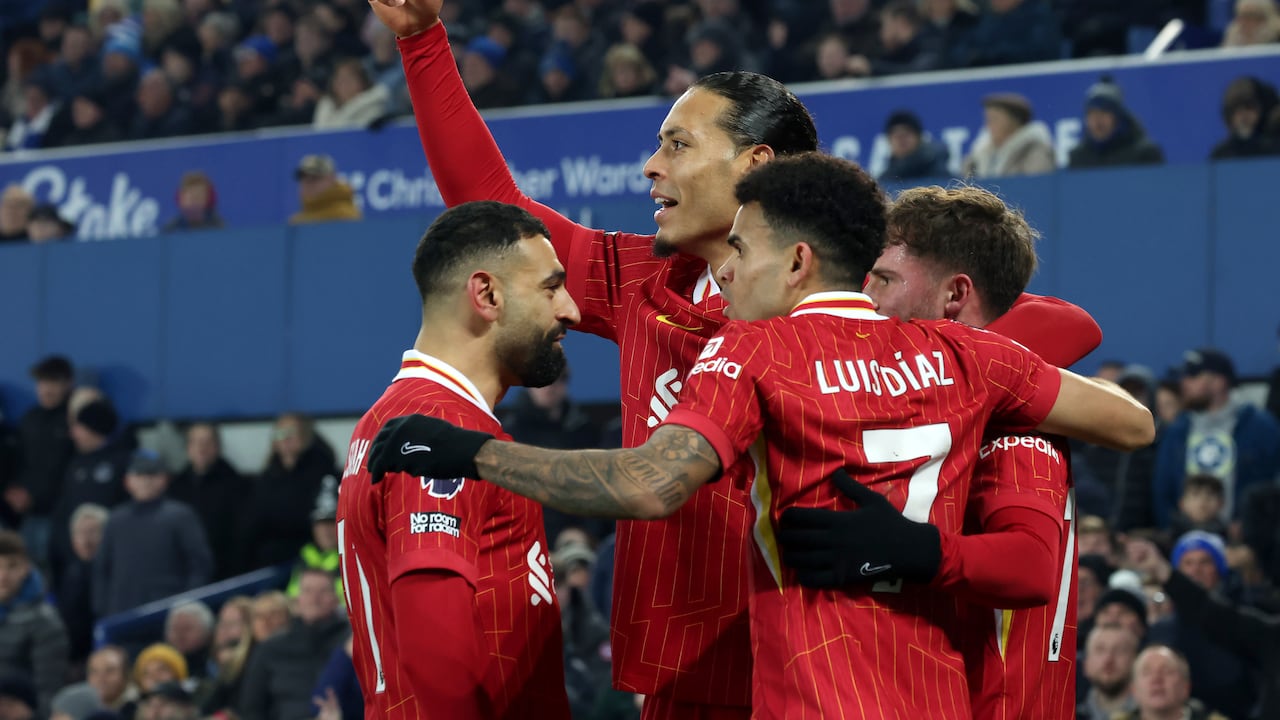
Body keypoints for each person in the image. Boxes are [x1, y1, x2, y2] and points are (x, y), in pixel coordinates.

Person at [364, 153, 1155, 716]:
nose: (728, 273)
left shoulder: (755, 348)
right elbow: (1132, 421)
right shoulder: (964, 355)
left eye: (741, 250)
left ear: (799, 261)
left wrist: (477, 453)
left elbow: (649, 484)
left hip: (812, 697)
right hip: (937, 697)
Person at [368, 0, 820, 714]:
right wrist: (423, 42)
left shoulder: (846, 307)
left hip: (807, 663)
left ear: (755, 163)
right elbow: (493, 209)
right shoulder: (645, 278)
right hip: (679, 672)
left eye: (678, 145)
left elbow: (1041, 330)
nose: (651, 165)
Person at [775, 184, 1101, 719]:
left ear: (954, 296)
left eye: (884, 280)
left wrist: (913, 548)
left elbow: (1030, 566)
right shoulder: (946, 395)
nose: (868, 301)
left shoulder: (1010, 419)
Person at [334, 201, 576, 718]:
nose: (571, 311)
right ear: (486, 294)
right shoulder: (440, 428)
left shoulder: (392, 417)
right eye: (551, 287)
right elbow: (438, 659)